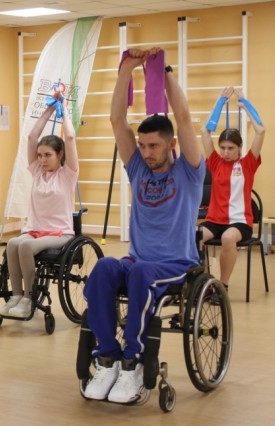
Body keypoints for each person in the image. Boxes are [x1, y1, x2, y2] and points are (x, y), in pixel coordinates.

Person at [81, 48, 205, 403]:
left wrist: (162, 71)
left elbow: (183, 117)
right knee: (104, 268)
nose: (146, 152)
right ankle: (108, 359)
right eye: (143, 146)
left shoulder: (189, 173)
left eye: (153, 146)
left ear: (171, 144)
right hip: (138, 261)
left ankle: (132, 362)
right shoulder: (138, 169)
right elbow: (116, 119)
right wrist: (127, 68)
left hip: (176, 264)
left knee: (140, 274)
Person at [0, 90, 79, 318]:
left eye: (48, 155)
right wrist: (50, 108)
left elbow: (70, 139)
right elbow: (32, 137)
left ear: (60, 155)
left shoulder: (68, 175)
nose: (42, 160)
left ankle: (28, 299)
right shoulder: (37, 172)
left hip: (60, 232)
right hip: (34, 230)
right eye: (40, 155)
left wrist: (64, 110)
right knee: (13, 243)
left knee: (25, 247)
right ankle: (15, 297)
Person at [200, 87, 264, 290]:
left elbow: (261, 131)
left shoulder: (248, 164)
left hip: (239, 222)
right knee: (194, 237)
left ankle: (222, 286)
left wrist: (245, 104)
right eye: (223, 148)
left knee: (228, 238)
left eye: (231, 148)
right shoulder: (215, 162)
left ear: (239, 148)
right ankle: (203, 282)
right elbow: (205, 131)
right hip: (214, 220)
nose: (226, 152)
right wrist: (220, 102)